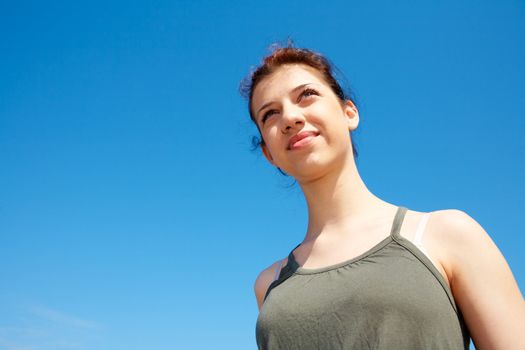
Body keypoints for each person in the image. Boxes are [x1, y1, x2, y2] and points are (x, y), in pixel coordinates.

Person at [239, 44, 525, 350]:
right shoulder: (269, 285)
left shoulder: (447, 235)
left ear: (349, 113)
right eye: (270, 113)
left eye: (306, 95)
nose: (290, 117)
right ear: (269, 154)